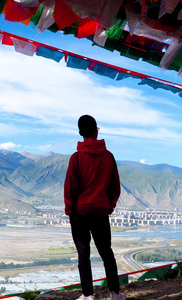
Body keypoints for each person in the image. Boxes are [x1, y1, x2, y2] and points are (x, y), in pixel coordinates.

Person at [64, 115, 126, 300]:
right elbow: (115, 185)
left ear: (80, 133)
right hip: (100, 211)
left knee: (84, 254)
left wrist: (69, 210)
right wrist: (109, 206)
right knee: (107, 253)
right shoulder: (108, 157)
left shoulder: (76, 158)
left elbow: (70, 187)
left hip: (80, 213)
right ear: (96, 131)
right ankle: (115, 293)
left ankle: (87, 295)